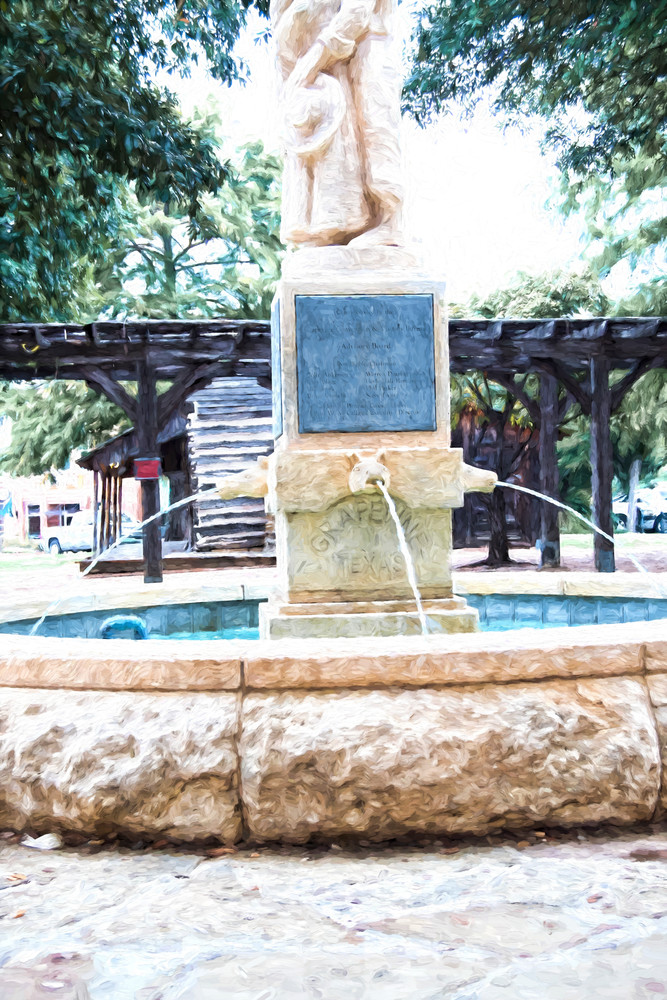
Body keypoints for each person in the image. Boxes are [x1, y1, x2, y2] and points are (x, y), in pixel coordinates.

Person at [272, 0, 403, 247]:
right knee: (328, 147)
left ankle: (389, 223)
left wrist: (310, 64)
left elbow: (357, 12)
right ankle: (330, 231)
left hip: (358, 52)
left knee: (374, 129)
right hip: (319, 71)